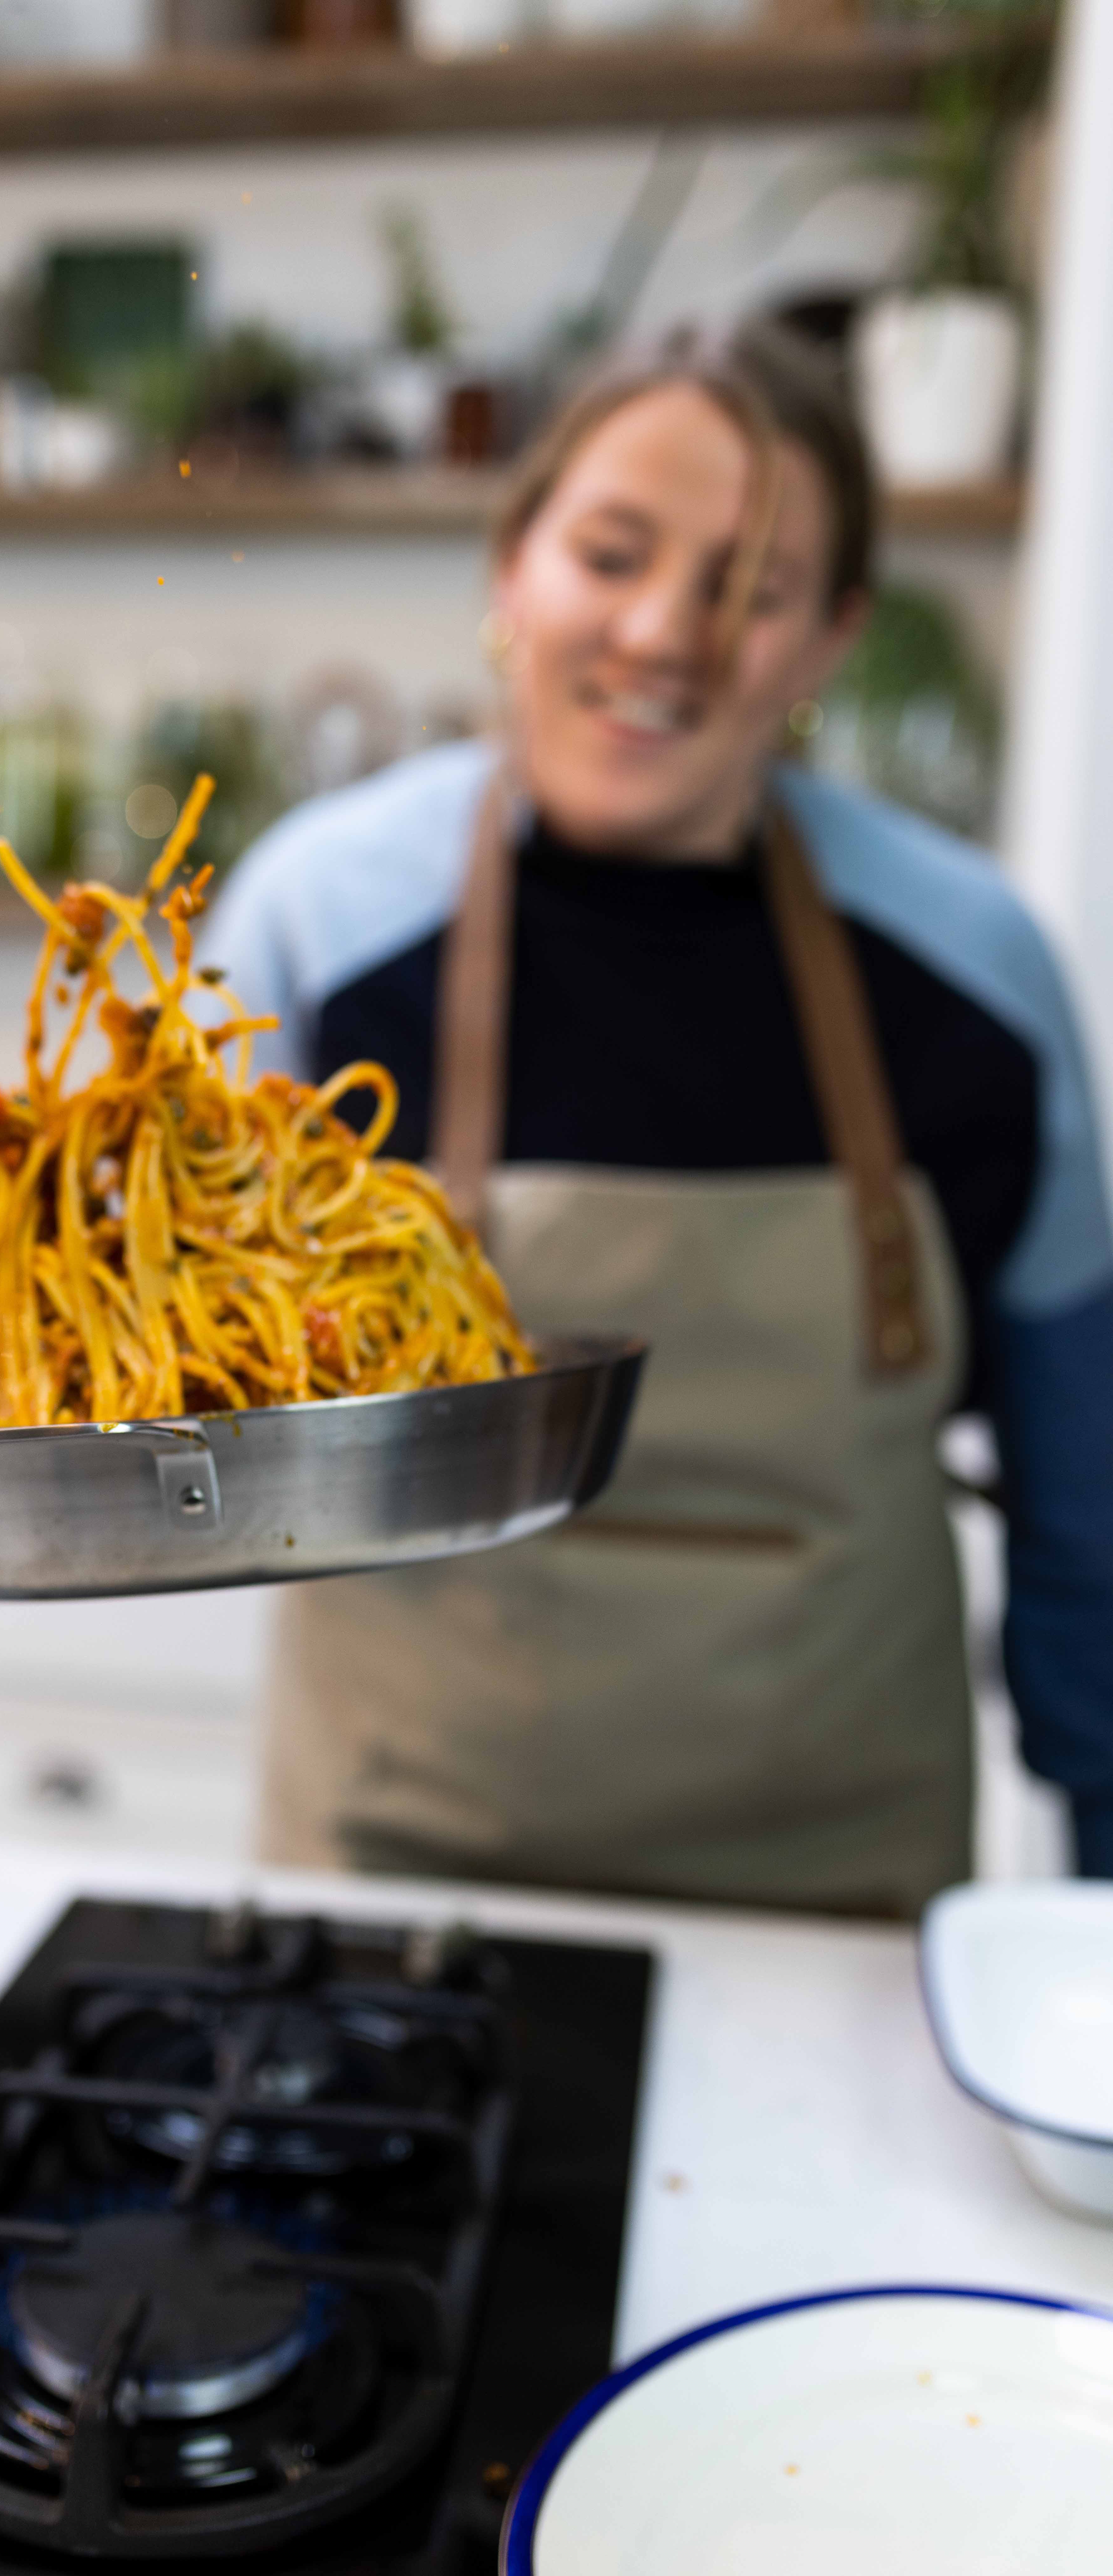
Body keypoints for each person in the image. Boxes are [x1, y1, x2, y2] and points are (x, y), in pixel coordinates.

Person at [208, 321, 1113, 1919]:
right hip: (398, 1878)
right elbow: (178, 1386)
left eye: (749, 588)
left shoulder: (974, 975)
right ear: (512, 568)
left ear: (831, 637)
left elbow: (1084, 1488)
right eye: (610, 554)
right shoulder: (313, 932)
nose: (661, 634)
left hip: (839, 1904)